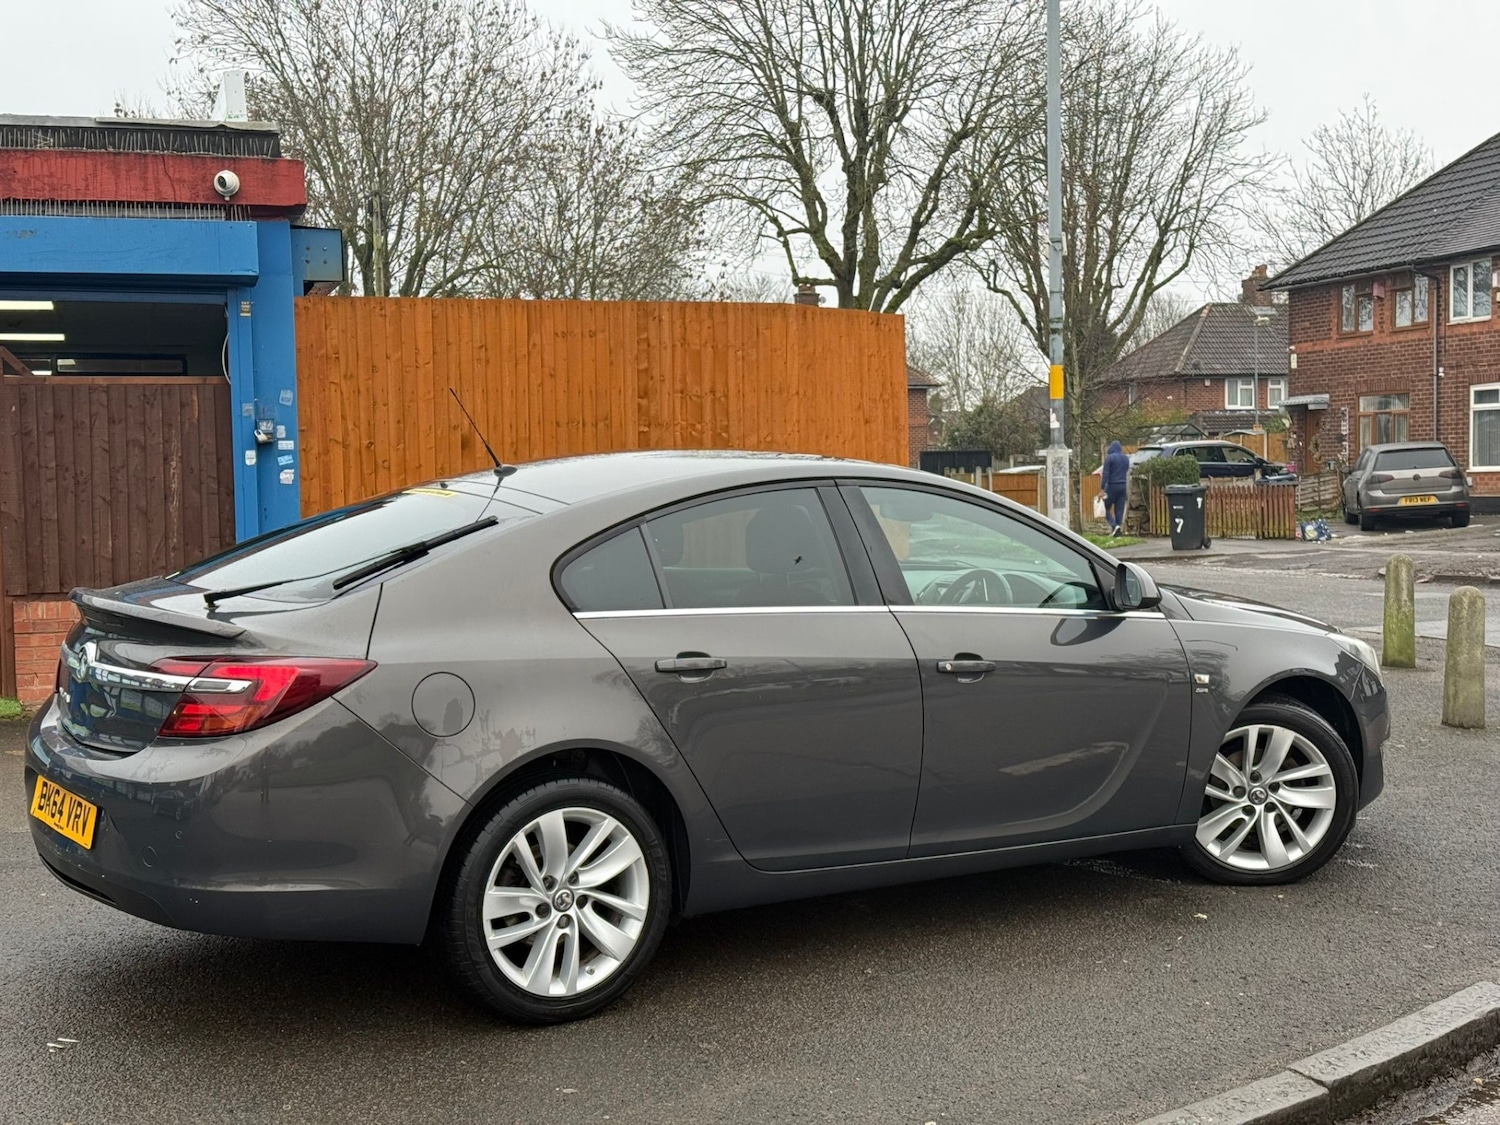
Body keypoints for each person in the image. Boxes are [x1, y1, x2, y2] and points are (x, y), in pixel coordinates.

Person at [1101, 440, 1130, 535]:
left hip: (1112, 486)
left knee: (1105, 507)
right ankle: (1118, 530)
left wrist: (1102, 488)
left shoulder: (1110, 458)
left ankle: (1114, 526)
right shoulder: (1126, 458)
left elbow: (1106, 474)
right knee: (1119, 509)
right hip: (1123, 486)